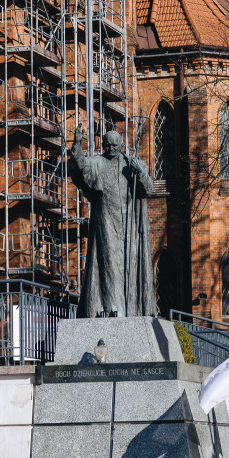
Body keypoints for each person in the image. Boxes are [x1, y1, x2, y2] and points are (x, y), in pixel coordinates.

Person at [69, 125, 156, 318]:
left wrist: (140, 172)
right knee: (107, 265)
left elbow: (148, 190)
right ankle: (109, 309)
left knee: (129, 268)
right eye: (108, 145)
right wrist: (76, 144)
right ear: (104, 145)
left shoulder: (130, 163)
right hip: (105, 223)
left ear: (121, 145)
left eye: (115, 145)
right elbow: (79, 167)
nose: (111, 148)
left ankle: (129, 310)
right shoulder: (98, 163)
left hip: (129, 227)